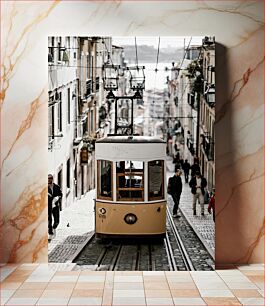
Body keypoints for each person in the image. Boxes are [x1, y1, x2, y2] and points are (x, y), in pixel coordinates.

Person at [48, 174, 62, 240]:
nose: (49, 179)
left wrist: (57, 198)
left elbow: (60, 194)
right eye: (48, 178)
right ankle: (50, 233)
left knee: (57, 221)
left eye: (50, 178)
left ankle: (54, 228)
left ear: (52, 179)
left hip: (56, 206)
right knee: (49, 220)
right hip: (48, 206)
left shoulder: (57, 186)